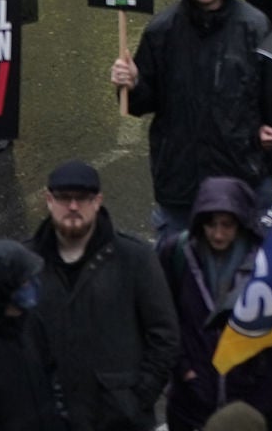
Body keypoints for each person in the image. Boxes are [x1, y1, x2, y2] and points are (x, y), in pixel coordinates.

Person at [117, 0, 272, 227]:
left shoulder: (254, 27)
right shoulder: (162, 31)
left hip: (239, 176)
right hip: (181, 182)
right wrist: (132, 84)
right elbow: (139, 105)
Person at [29, 161, 179, 431]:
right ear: (49, 200)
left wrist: (134, 400)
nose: (73, 206)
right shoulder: (27, 261)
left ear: (97, 201)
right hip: (47, 417)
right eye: (64, 198)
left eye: (83, 198)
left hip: (119, 420)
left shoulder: (135, 258)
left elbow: (164, 335)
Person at [157, 180, 272, 431]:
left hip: (252, 393)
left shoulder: (265, 261)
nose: (218, 234)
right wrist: (184, 369)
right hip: (193, 399)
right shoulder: (178, 253)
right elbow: (163, 316)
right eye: (211, 224)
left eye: (227, 225)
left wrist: (256, 368)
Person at [0, 240, 68, 431]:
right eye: (24, 281)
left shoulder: (30, 320)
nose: (32, 285)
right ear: (1, 287)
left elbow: (53, 375)